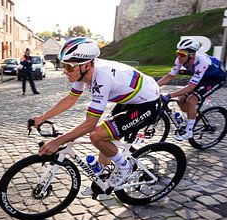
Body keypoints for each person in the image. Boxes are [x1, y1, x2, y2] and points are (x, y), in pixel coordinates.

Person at [31, 37, 161, 195]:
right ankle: (103, 178)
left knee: (97, 136)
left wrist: (58, 141)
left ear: (85, 65)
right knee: (106, 137)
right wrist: (42, 118)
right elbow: (70, 99)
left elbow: (90, 124)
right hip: (129, 99)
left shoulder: (102, 78)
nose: (64, 70)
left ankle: (125, 167)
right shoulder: (82, 72)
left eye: (68, 67)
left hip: (147, 103)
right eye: (62, 65)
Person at [158, 38, 226, 141]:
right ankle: (193, 116)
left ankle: (189, 131)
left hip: (217, 78)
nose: (179, 56)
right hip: (204, 76)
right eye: (178, 53)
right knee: (181, 99)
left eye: (182, 54)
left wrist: (169, 95)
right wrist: (153, 86)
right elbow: (169, 76)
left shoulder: (201, 62)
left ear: (192, 55)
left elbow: (190, 87)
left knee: (191, 100)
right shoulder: (180, 60)